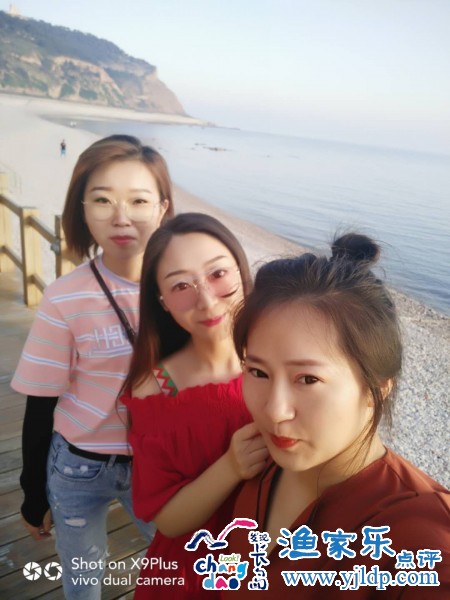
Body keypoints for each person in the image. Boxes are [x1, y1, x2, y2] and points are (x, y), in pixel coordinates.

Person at [226, 233, 450, 598]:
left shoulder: (418, 538)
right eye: (258, 372)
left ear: (377, 388)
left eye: (308, 379)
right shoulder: (262, 457)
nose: (274, 411)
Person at [11, 134, 174, 599]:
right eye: (102, 200)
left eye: (138, 200)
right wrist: (32, 492)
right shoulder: (65, 297)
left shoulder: (183, 289)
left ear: (163, 208)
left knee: (178, 567)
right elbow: (40, 403)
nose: (121, 217)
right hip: (78, 465)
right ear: (82, 209)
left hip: (158, 464)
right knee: (82, 579)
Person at [120, 213, 269, 598]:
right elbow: (168, 521)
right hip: (195, 576)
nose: (206, 300)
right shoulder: (155, 390)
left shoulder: (281, 353)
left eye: (218, 274)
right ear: (162, 301)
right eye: (181, 286)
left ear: (241, 271)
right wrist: (232, 466)